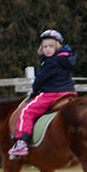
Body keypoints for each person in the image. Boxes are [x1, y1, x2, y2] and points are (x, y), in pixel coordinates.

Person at [10, 29, 77, 158]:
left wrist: (34, 92)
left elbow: (39, 81)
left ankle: (22, 142)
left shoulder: (50, 62)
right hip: (69, 93)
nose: (47, 49)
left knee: (27, 111)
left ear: (57, 46)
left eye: (50, 46)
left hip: (51, 94)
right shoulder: (67, 59)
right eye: (45, 46)